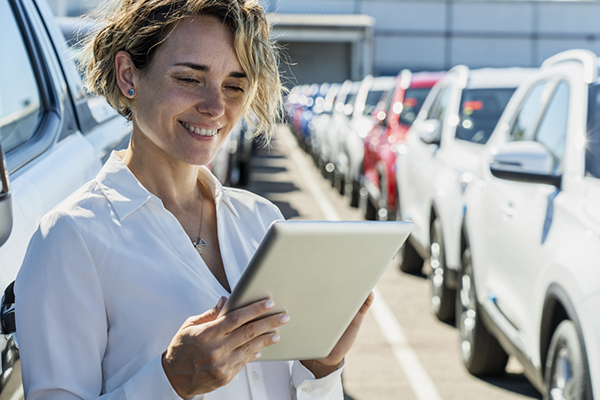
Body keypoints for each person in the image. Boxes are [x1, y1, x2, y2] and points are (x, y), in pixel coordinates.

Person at [14, 0, 374, 398]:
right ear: (128, 75)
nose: (215, 107)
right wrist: (169, 382)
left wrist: (320, 368)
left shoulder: (262, 221)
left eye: (235, 86)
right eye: (189, 79)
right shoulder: (70, 238)